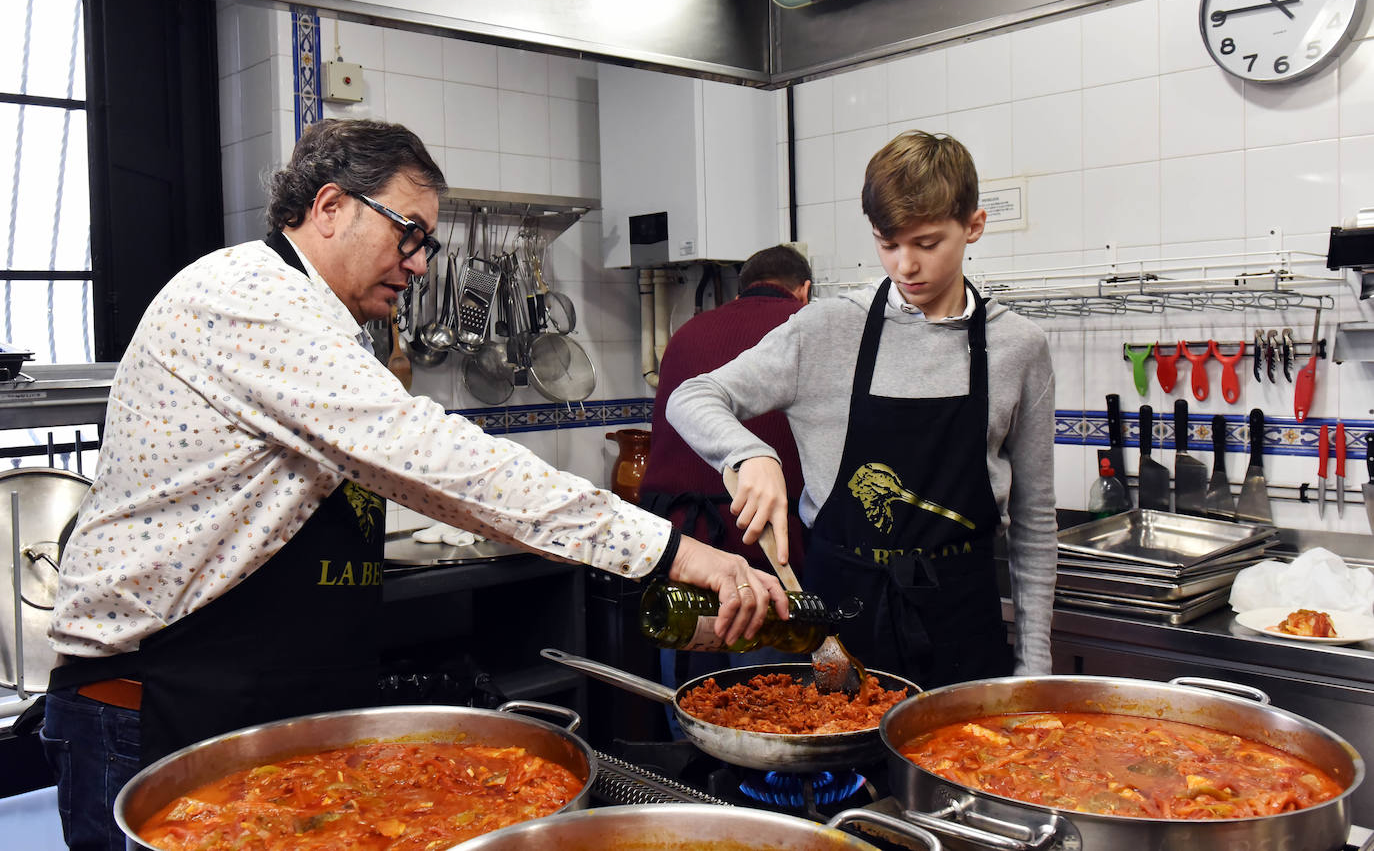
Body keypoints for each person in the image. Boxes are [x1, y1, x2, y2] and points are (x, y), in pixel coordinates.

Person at [39, 118, 787, 851]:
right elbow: (436, 459)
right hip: (151, 712)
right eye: (410, 234)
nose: (421, 262)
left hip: (246, 707)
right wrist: (676, 553)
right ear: (330, 207)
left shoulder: (317, 320)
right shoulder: (248, 299)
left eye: (426, 242)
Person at [666, 130, 1057, 689]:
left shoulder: (1018, 346)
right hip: (839, 627)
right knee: (844, 777)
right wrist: (749, 454)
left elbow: (1036, 523)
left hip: (962, 625)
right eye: (887, 243)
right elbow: (692, 395)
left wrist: (1036, 669)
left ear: (973, 225)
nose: (905, 266)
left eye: (926, 243)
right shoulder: (827, 329)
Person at [638, 245, 812, 694]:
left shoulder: (687, 333)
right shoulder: (803, 330)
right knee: (771, 705)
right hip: (767, 557)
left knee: (691, 701)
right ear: (804, 291)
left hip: (683, 550)